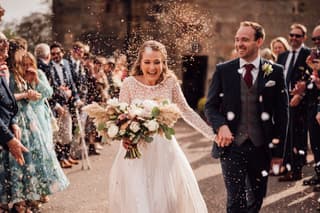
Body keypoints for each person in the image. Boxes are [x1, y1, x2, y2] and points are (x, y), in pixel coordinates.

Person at [108, 40, 214, 213]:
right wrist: (125, 138)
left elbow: (186, 111)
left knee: (165, 198)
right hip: (137, 151)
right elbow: (121, 118)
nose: (152, 67)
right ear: (140, 62)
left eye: (157, 62)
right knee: (139, 198)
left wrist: (212, 134)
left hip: (165, 150)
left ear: (164, 63)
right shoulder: (129, 84)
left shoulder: (170, 83)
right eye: (147, 62)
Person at [205, 21, 289, 213]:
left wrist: (278, 153)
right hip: (232, 147)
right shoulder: (223, 70)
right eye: (237, 39)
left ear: (259, 41)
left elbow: (283, 116)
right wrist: (221, 126)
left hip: (262, 147)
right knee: (235, 201)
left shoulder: (275, 72)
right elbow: (210, 107)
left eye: (245, 39)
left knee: (257, 199)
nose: (239, 44)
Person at [277, 23, 311, 182]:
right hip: (283, 102)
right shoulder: (283, 56)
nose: (293, 38)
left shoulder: (309, 54)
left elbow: (312, 77)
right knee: (285, 136)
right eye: (291, 35)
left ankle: (297, 171)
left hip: (300, 103)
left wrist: (301, 95)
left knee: (298, 137)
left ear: (303, 38)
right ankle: (287, 167)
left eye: (297, 36)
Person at [0, 32, 28, 212]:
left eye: (6, 46)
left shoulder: (3, 70)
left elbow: (6, 103)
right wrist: (9, 139)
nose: (6, 53)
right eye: (2, 48)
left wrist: (14, 122)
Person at [302, 25, 320, 187]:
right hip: (314, 105)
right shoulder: (314, 55)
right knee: (315, 143)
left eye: (319, 39)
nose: (316, 42)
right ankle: (318, 174)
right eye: (314, 40)